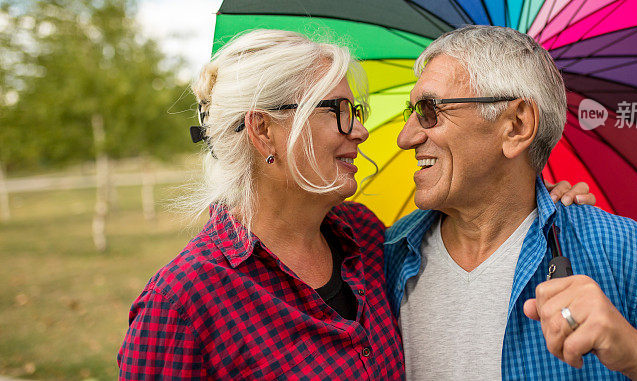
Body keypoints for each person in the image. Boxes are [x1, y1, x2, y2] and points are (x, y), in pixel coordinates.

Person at [117, 29, 591, 379]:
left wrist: (530, 200)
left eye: (356, 112)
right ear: (264, 130)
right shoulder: (182, 304)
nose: (360, 131)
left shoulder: (366, 238)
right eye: (338, 111)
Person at [386, 25, 637, 380]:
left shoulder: (618, 249)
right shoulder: (386, 254)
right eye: (412, 111)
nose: (406, 137)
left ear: (516, 126)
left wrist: (635, 351)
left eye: (430, 111)